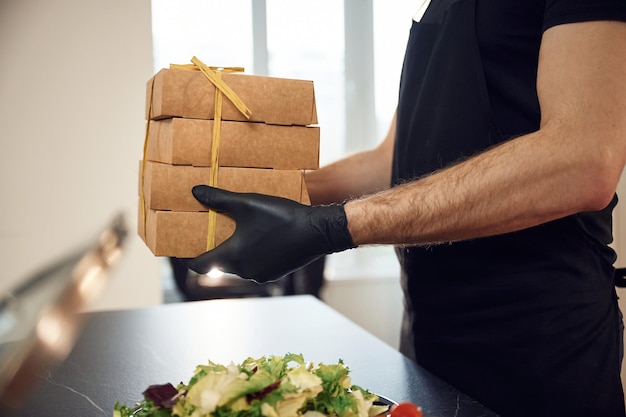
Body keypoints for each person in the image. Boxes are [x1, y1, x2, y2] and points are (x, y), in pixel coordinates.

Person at [183, 0, 626, 415]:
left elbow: (582, 159)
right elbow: (391, 162)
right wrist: (257, 196)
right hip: (428, 345)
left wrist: (334, 227)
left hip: (542, 357)